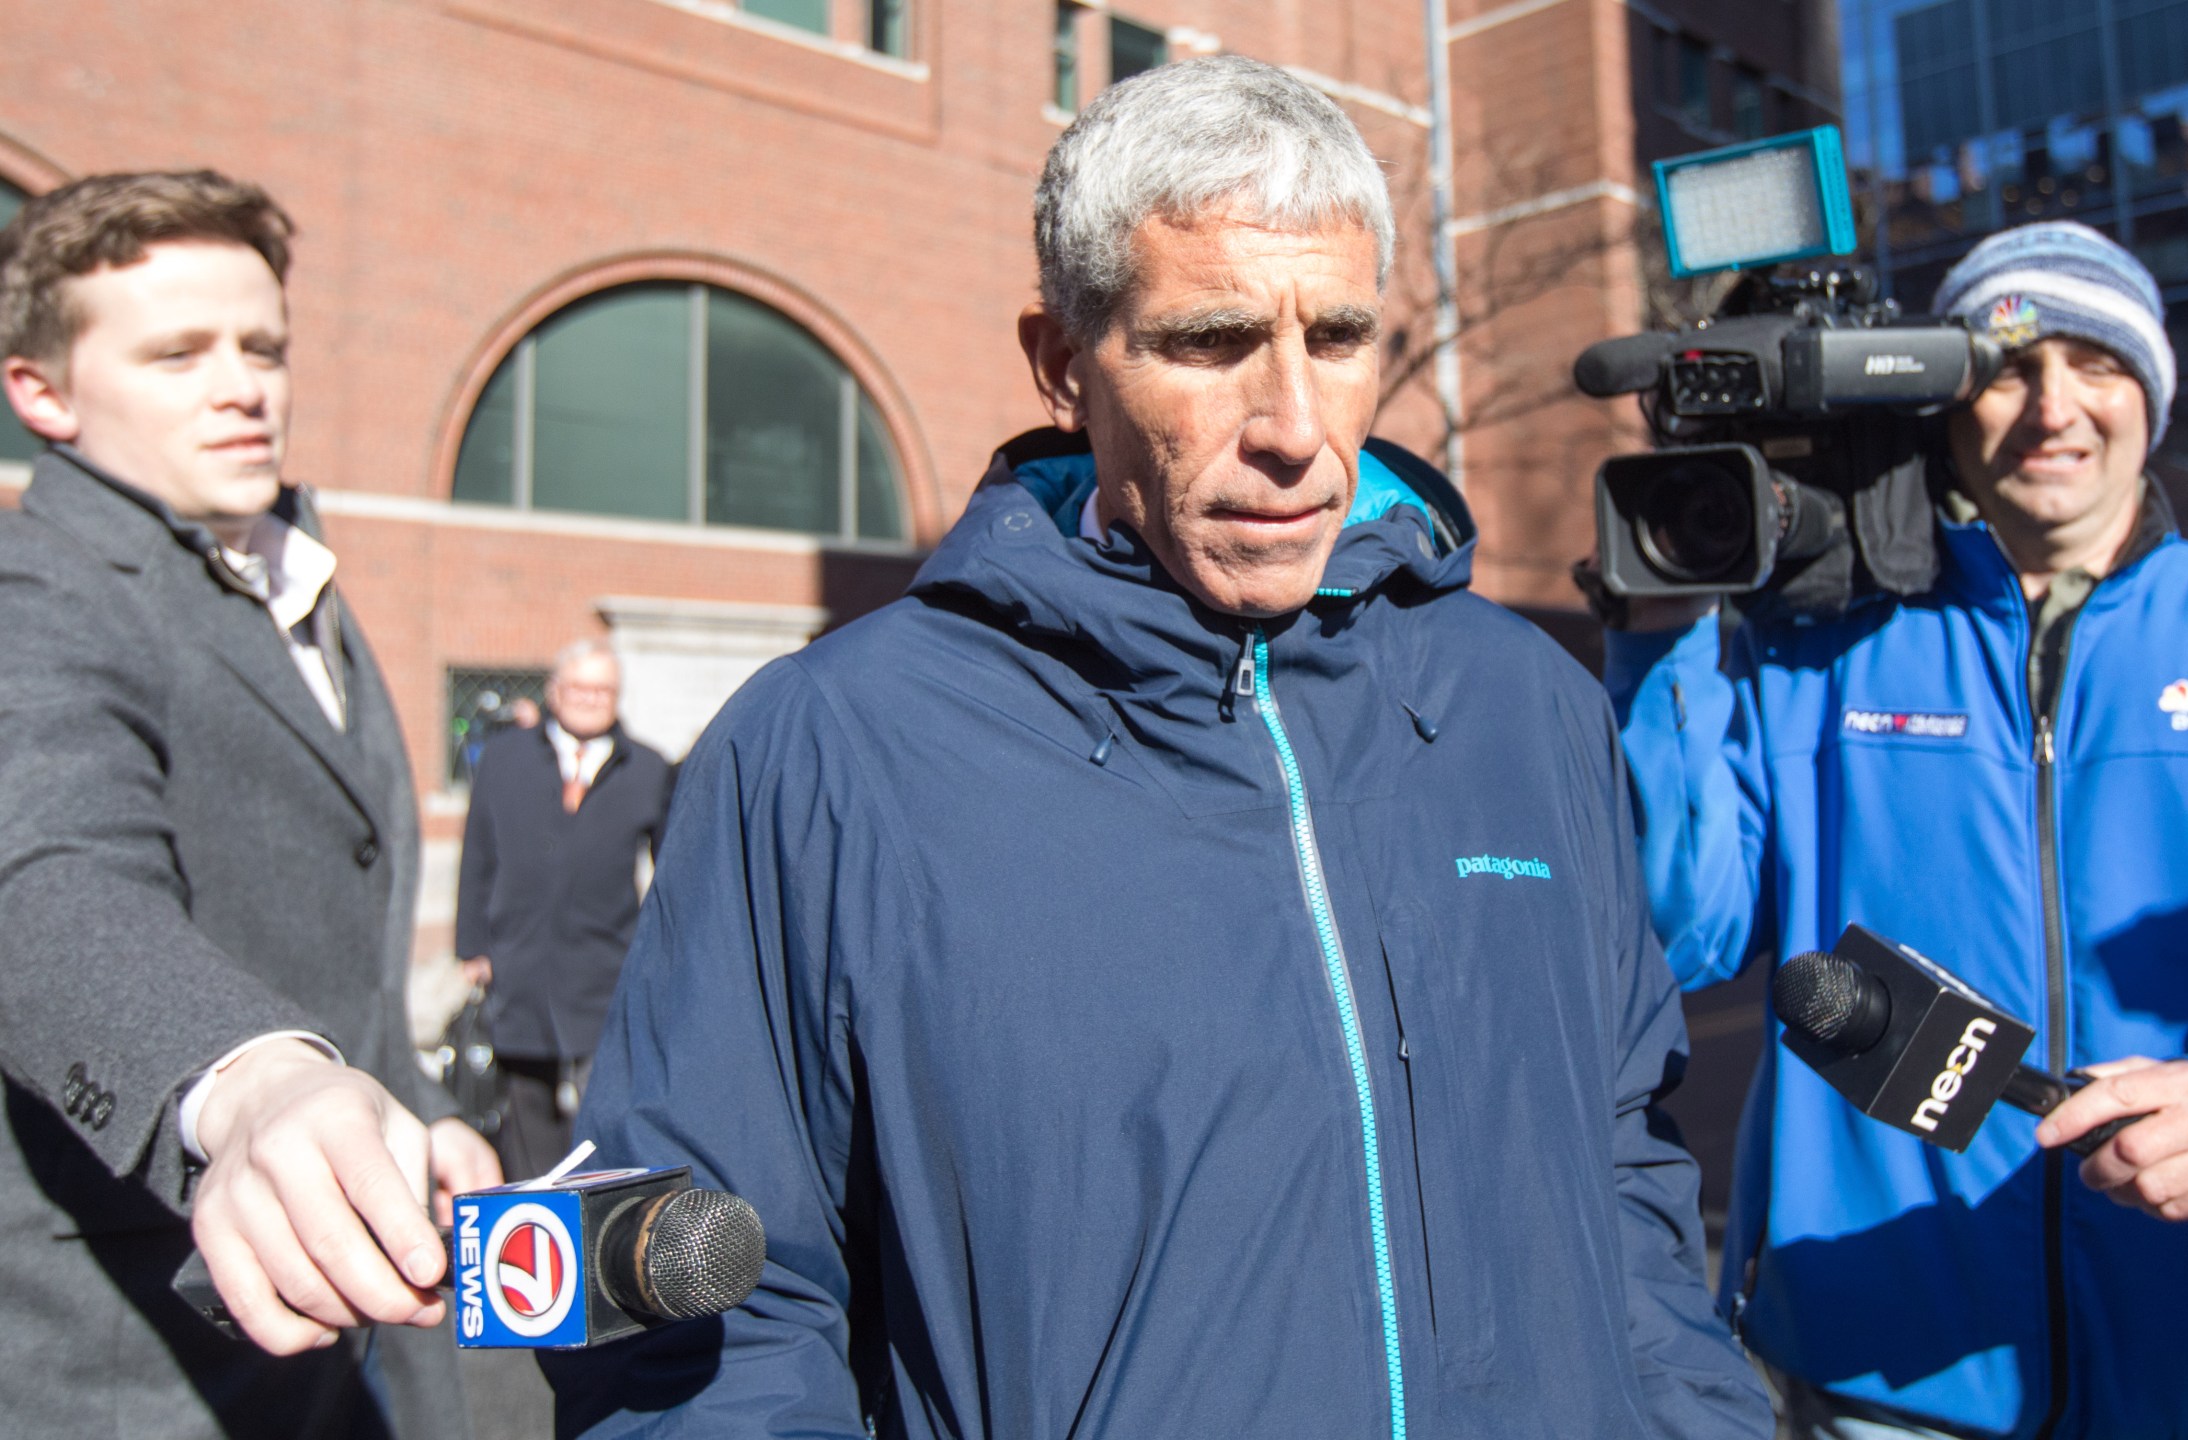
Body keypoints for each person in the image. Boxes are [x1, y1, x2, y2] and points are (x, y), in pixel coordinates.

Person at [546, 56, 1770, 1439]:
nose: (1297, 431)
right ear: (1065, 365)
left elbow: (1624, 1165)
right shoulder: (828, 750)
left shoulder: (1528, 705)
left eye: (1344, 336)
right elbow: (705, 1324)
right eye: (1211, 341)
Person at [1600, 220, 2188, 1439]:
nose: (2053, 408)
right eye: (2005, 368)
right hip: (1868, 1379)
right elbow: (1677, 930)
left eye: (2096, 363)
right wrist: (1668, 624)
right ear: (1945, 406)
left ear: (2151, 395)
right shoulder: (1820, 642)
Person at [0, 171, 500, 1436]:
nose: (243, 385)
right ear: (40, 393)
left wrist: (411, 1109)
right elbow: (47, 875)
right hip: (130, 1360)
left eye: (262, 346)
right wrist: (250, 1088)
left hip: (350, 1333)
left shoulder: (287, 570)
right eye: (178, 354)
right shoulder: (35, 593)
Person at [454, 639, 672, 1180]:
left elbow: (669, 871)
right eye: (580, 687)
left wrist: (659, 956)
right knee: (525, 1099)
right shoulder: (505, 758)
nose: (590, 699)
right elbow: (477, 852)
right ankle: (537, 1199)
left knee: (608, 1092)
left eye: (603, 689)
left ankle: (599, 1198)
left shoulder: (647, 769)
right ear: (554, 691)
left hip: (604, 961)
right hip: (521, 956)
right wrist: (472, 944)